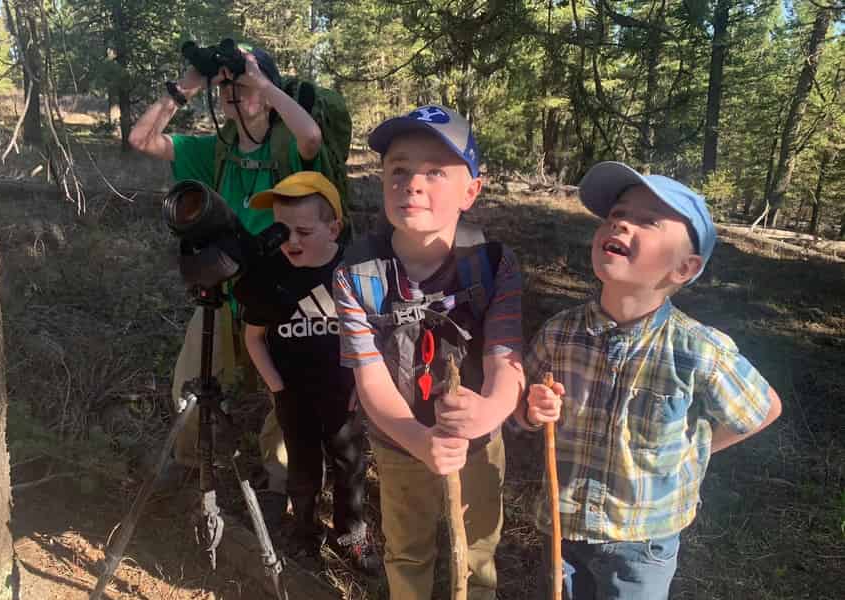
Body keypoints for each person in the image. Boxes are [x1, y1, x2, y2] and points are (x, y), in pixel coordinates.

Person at [521, 161, 783, 600]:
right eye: (616, 215)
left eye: (647, 221)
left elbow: (764, 409)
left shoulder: (698, 349)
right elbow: (522, 410)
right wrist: (533, 410)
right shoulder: (559, 333)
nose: (621, 222)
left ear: (683, 268)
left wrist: (696, 451)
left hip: (643, 542)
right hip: (563, 526)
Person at [333, 105, 526, 600]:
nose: (412, 184)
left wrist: (489, 413)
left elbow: (506, 359)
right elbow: (370, 378)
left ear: (471, 191)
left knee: (479, 549)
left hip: (479, 442)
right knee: (408, 550)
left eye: (436, 171)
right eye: (399, 169)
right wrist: (417, 440)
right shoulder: (356, 275)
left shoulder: (493, 265)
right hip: (400, 442)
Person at [129, 42, 323, 521]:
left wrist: (262, 82)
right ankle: (190, 458)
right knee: (193, 379)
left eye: (244, 86)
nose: (235, 95)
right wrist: (187, 85)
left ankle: (279, 483)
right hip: (225, 292)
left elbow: (312, 138)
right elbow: (142, 140)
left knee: (285, 389)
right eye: (228, 88)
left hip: (282, 294)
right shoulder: (213, 151)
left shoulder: (287, 148)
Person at [231, 171, 380, 573]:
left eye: (303, 230)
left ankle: (352, 534)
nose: (291, 241)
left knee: (350, 464)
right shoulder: (271, 275)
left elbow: (377, 331)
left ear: (334, 228)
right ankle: (304, 532)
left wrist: (366, 382)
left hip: (342, 391)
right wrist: (277, 387)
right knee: (303, 468)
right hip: (293, 395)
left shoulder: (354, 269)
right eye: (281, 230)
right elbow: (254, 338)